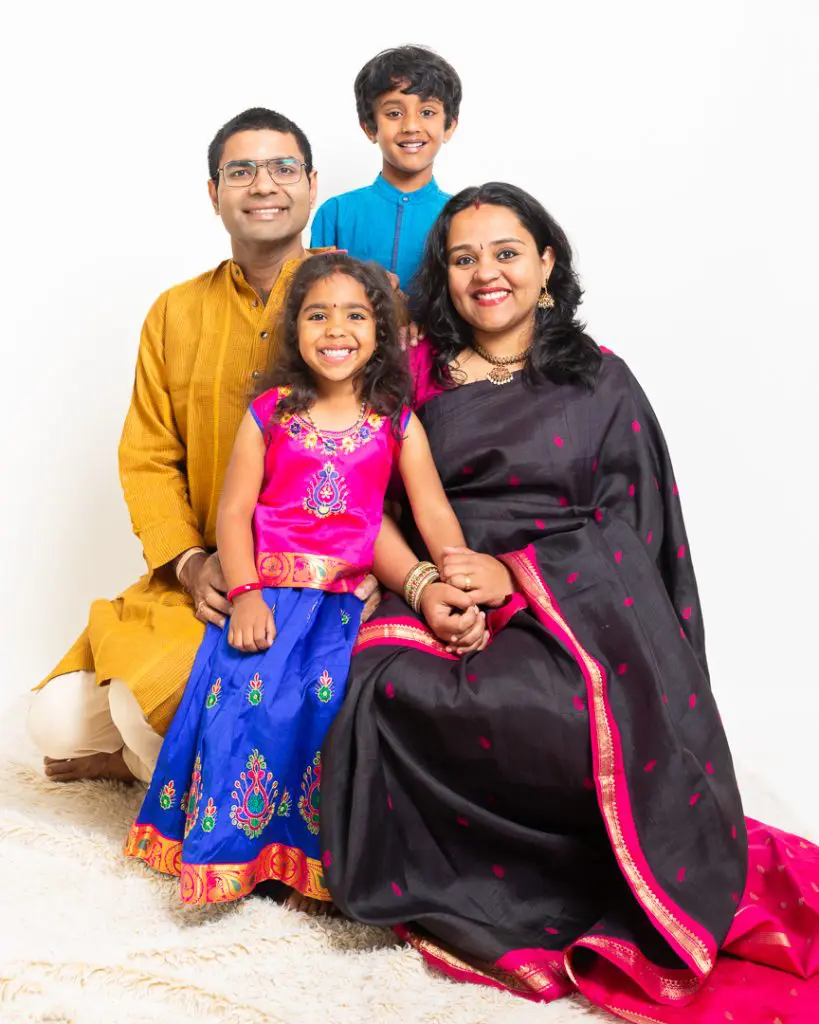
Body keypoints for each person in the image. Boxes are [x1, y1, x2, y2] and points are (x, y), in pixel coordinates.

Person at [320, 184, 819, 1021]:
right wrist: (429, 585)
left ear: (545, 263)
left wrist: (516, 574)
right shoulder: (410, 377)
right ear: (442, 276)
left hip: (581, 599)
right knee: (391, 688)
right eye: (463, 257)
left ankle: (605, 872)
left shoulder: (599, 381)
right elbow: (369, 502)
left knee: (546, 708)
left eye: (506, 253)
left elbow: (636, 528)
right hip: (438, 583)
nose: (486, 274)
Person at [124, 253, 481, 913]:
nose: (335, 329)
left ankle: (311, 869)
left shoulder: (395, 422)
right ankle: (236, 857)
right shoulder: (270, 412)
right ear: (294, 330)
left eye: (354, 315)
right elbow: (234, 512)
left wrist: (455, 575)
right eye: (317, 314)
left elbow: (429, 511)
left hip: (344, 609)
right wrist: (243, 594)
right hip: (268, 597)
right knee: (242, 705)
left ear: (379, 331)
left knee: (327, 713)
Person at [26, 108, 362, 785]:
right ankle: (174, 755)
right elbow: (148, 455)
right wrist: (188, 563)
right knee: (55, 719)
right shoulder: (176, 312)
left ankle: (195, 779)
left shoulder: (361, 300)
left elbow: (392, 442)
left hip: (319, 587)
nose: (262, 184)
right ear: (214, 194)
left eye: (281, 168)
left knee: (141, 705)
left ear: (311, 184)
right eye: (241, 171)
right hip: (206, 582)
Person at [310, 45, 460, 293]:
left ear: (449, 127)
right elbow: (318, 298)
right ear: (370, 128)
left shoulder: (461, 216)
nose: (411, 126)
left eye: (427, 112)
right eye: (394, 113)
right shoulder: (335, 214)